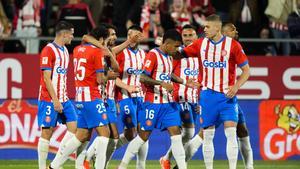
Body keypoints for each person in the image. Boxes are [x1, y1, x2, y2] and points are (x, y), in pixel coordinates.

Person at [180, 14, 250, 169]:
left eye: (207, 26)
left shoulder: (233, 45)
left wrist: (236, 86)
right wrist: (164, 49)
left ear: (217, 27)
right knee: (208, 136)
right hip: (207, 96)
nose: (204, 29)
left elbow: (246, 71)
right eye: (204, 26)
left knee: (231, 134)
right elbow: (180, 54)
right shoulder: (200, 44)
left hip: (227, 96)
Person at [117, 29, 187, 169]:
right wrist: (161, 84)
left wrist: (183, 82)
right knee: (143, 136)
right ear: (167, 44)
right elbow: (143, 77)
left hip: (168, 104)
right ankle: (122, 166)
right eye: (176, 46)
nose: (177, 49)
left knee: (177, 135)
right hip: (152, 103)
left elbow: (168, 74)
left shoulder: (169, 56)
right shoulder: (153, 55)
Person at [48, 26, 115, 169]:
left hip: (79, 97)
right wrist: (108, 76)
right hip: (92, 97)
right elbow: (99, 80)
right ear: (102, 39)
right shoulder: (97, 52)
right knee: (105, 134)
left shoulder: (77, 49)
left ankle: (53, 166)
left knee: (82, 135)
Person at [37, 21, 77, 169]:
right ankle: (42, 167)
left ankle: (54, 165)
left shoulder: (66, 51)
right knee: (47, 132)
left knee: (76, 129)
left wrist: (61, 99)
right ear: (64, 34)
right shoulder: (48, 50)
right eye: (71, 34)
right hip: (49, 99)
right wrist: (55, 100)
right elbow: (47, 78)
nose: (72, 37)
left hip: (64, 98)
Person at [159, 24, 200, 169]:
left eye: (191, 35)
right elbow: (166, 72)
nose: (188, 38)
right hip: (180, 96)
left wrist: (199, 100)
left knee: (188, 133)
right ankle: (172, 161)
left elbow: (201, 79)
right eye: (185, 36)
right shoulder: (176, 54)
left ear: (197, 36)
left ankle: (166, 158)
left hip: (193, 98)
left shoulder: (201, 55)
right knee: (188, 132)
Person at [114, 25, 149, 169]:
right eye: (129, 35)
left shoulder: (144, 55)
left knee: (142, 132)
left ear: (140, 37)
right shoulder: (120, 53)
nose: (132, 38)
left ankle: (141, 166)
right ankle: (97, 151)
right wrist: (127, 87)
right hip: (125, 97)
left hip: (141, 98)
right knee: (132, 133)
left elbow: (147, 77)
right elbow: (113, 78)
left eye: (135, 35)